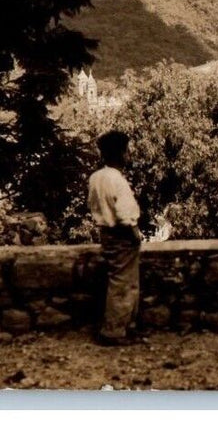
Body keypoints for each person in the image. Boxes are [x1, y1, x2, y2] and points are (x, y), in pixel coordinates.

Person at [89, 130, 144, 346]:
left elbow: (93, 206)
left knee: (120, 280)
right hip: (122, 235)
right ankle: (113, 331)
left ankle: (124, 327)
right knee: (123, 283)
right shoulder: (117, 180)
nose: (129, 155)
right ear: (121, 153)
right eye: (127, 151)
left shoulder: (96, 177)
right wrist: (135, 235)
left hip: (106, 233)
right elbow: (125, 215)